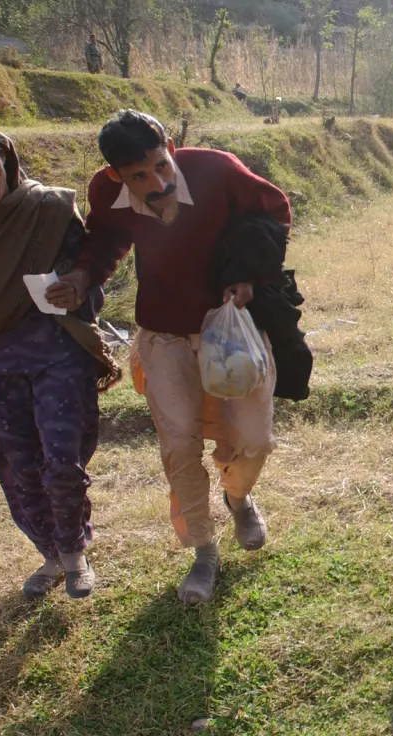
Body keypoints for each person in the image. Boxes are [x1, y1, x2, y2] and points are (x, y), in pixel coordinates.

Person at [46, 110, 292, 605]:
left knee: (252, 437)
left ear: (171, 149)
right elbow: (105, 241)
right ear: (117, 175)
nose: (157, 182)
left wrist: (249, 276)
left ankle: (238, 497)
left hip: (231, 329)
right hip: (162, 336)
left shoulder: (218, 170)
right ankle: (203, 549)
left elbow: (275, 211)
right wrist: (81, 277)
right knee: (178, 447)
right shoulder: (105, 194)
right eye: (139, 176)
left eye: (162, 166)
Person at [0, 118, 120, 600]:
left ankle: (75, 554)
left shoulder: (47, 207)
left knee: (63, 458)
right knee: (19, 465)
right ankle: (51, 554)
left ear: (7, 159)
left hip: (56, 351)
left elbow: (88, 268)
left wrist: (71, 283)